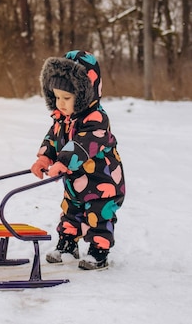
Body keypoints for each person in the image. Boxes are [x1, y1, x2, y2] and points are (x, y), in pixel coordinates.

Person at [30, 50, 126, 270]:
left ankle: (98, 251)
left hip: (103, 183)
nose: (60, 103)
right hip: (76, 181)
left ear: (84, 94)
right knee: (71, 211)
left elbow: (83, 144)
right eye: (56, 97)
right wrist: (45, 158)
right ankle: (67, 245)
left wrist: (63, 162)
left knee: (98, 217)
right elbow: (53, 138)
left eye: (67, 98)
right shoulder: (62, 118)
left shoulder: (97, 119)